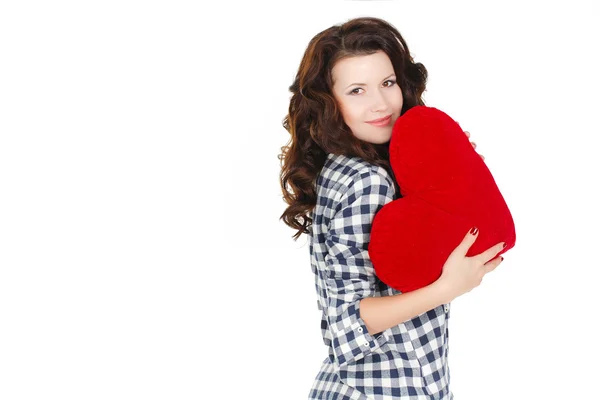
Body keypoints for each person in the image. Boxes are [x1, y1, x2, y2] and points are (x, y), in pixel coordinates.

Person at [278, 17, 505, 399]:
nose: (381, 103)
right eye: (356, 91)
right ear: (328, 102)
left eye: (387, 83)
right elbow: (345, 324)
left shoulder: (351, 164)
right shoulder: (368, 181)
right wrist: (449, 287)